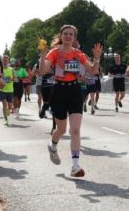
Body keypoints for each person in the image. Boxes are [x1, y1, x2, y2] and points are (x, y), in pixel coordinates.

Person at [39, 26, 102, 178]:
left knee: (75, 130)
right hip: (59, 92)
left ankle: (75, 166)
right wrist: (42, 54)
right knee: (61, 129)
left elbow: (93, 70)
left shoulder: (78, 54)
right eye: (65, 34)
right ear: (61, 36)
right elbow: (43, 70)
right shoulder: (54, 52)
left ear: (74, 38)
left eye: (71, 34)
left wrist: (97, 57)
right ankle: (52, 146)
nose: (68, 36)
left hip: (74, 91)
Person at [0, 53, 15, 124]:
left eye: (6, 60)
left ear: (8, 61)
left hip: (10, 90)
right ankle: (6, 120)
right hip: (2, 90)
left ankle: (9, 119)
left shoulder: (11, 69)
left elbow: (14, 78)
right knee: (5, 105)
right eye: (3, 60)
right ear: (1, 61)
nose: (5, 61)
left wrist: (12, 79)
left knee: (10, 107)